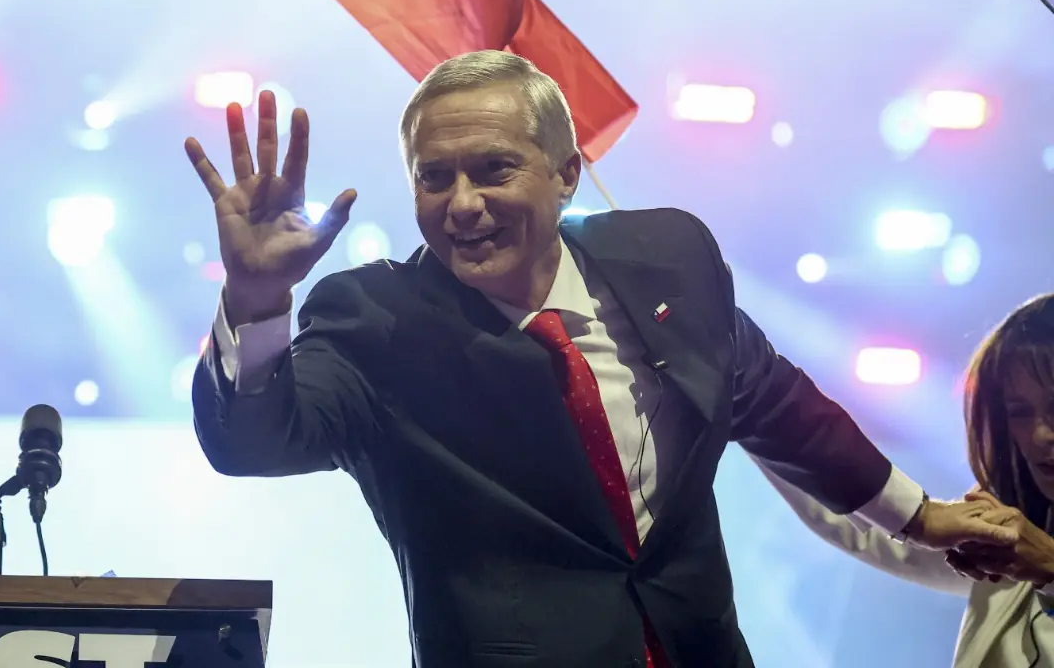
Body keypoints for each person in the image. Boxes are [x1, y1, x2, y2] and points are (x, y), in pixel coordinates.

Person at [185, 50, 1020, 668]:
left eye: (493, 170)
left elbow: (775, 403)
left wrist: (921, 518)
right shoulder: (376, 320)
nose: (463, 204)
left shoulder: (670, 258)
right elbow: (253, 440)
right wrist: (256, 298)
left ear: (566, 175)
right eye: (434, 178)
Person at [761, 293, 1054, 667]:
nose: (1040, 434)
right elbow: (868, 530)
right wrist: (754, 407)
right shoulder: (1010, 532)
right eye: (1020, 412)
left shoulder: (1025, 547)